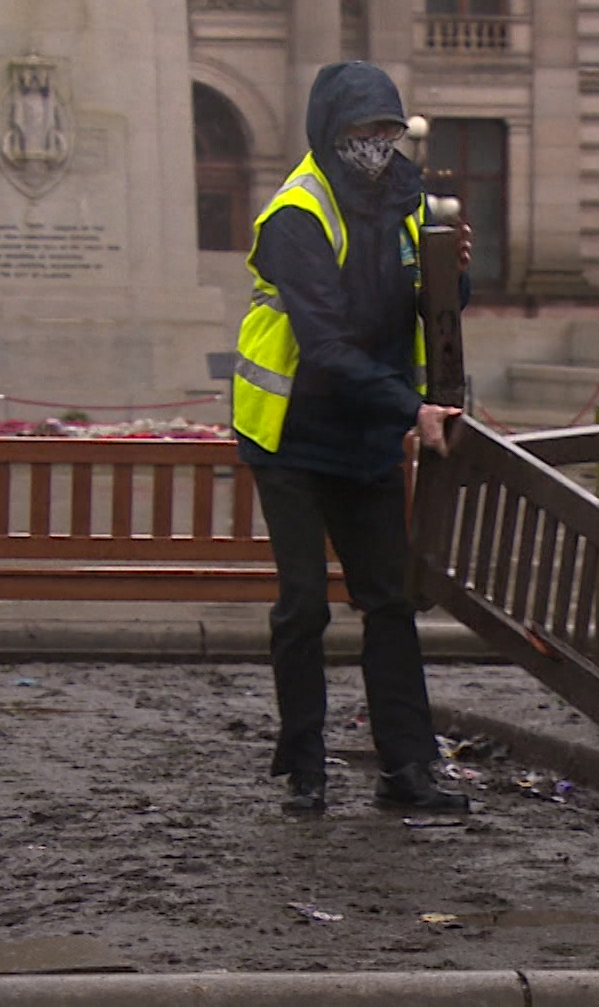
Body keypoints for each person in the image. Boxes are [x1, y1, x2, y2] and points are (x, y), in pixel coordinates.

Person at [231, 60, 473, 814]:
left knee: (389, 602)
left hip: (367, 431)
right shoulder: (297, 214)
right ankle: (305, 770)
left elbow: (424, 302)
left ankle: (408, 771)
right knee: (303, 605)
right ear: (332, 134)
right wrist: (411, 411)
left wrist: (453, 274)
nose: (378, 143)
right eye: (364, 130)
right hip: (294, 435)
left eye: (388, 130)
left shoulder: (408, 201)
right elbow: (326, 345)